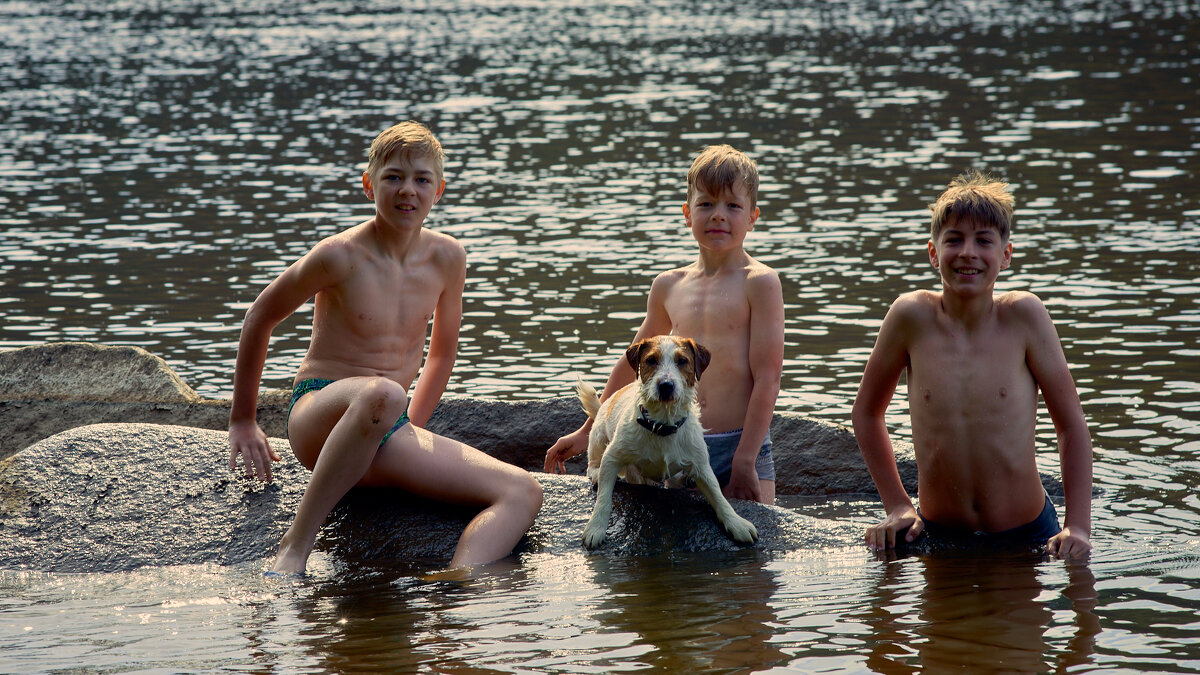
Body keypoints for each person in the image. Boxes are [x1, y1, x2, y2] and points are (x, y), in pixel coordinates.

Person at [227, 121, 543, 574]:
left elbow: (442, 353)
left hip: (386, 426)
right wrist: (242, 420)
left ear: (439, 190)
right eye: (393, 177)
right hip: (320, 411)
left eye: (421, 179)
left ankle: (457, 584)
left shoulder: (448, 257)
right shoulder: (339, 254)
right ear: (368, 183)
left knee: (524, 491)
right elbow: (260, 316)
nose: (406, 191)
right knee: (385, 391)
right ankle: (295, 544)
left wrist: (409, 425)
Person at [852, 170, 1092, 558]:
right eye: (954, 240)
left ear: (1005, 255)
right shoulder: (910, 316)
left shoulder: (1024, 316)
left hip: (1028, 533)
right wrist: (898, 505)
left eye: (984, 241)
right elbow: (866, 412)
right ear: (933, 253)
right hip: (939, 534)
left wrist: (1077, 526)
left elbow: (1071, 427)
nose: (968, 253)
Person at [544, 144, 784, 505]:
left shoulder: (760, 282)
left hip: (738, 443)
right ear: (688, 214)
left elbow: (768, 377)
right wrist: (588, 430)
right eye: (706, 204)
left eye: (733, 206)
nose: (719, 215)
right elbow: (635, 364)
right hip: (673, 439)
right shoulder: (669, 285)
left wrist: (745, 459)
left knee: (752, 548)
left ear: (752, 217)